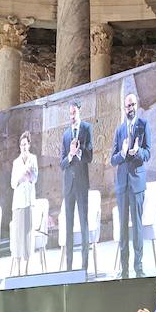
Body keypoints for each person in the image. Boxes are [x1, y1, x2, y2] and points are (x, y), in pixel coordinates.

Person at [111, 90, 152, 278]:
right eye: (128, 105)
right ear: (124, 108)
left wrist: (137, 152)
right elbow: (113, 159)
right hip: (122, 185)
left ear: (137, 105)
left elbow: (148, 153)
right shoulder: (119, 130)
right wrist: (123, 152)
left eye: (133, 105)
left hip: (137, 183)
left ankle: (138, 267)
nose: (131, 108)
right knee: (122, 228)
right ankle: (124, 268)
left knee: (137, 226)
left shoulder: (144, 125)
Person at [59, 102, 94, 274]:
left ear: (79, 111)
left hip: (81, 183)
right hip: (68, 186)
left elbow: (90, 156)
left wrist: (79, 152)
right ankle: (69, 267)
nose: (72, 116)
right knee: (69, 226)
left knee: (83, 223)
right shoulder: (65, 134)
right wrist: (71, 154)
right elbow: (62, 163)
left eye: (74, 113)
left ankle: (84, 267)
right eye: (70, 114)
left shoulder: (86, 128)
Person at [9, 131, 39, 278]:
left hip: (29, 201)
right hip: (18, 203)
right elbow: (13, 183)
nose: (23, 147)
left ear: (29, 144)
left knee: (27, 234)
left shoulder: (33, 159)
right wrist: (21, 178)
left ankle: (27, 267)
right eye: (21, 145)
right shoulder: (15, 162)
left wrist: (30, 176)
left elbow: (35, 177)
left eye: (25, 144)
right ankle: (18, 268)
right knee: (18, 235)